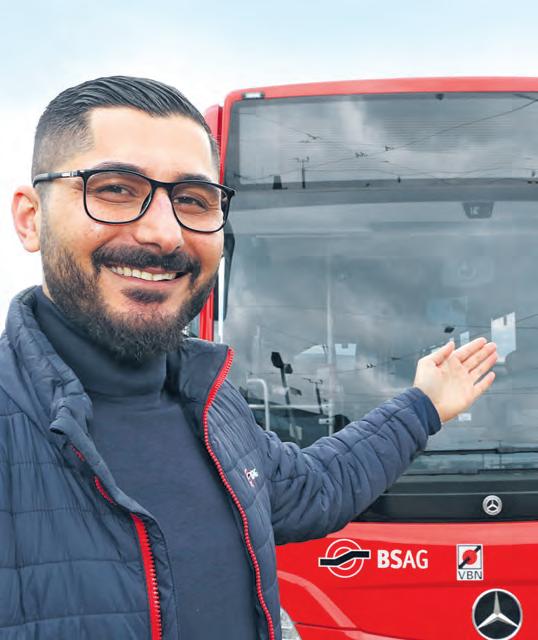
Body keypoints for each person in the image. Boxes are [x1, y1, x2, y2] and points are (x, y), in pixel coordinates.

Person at [3, 76, 497, 640]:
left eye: (193, 200)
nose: (165, 233)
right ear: (30, 218)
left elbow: (314, 488)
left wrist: (424, 404)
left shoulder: (213, 408)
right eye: (114, 189)